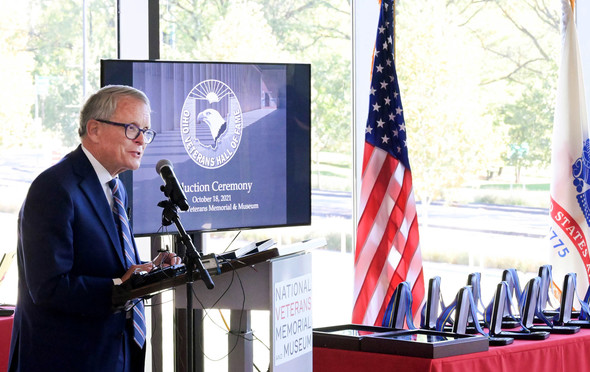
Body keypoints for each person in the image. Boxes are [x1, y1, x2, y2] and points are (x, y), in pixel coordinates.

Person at [8, 85, 180, 372]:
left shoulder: (116, 188)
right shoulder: (54, 188)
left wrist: (149, 271)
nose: (141, 140)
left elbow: (109, 266)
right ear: (95, 129)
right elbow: (48, 287)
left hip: (116, 351)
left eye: (146, 131)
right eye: (131, 128)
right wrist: (120, 286)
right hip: (67, 358)